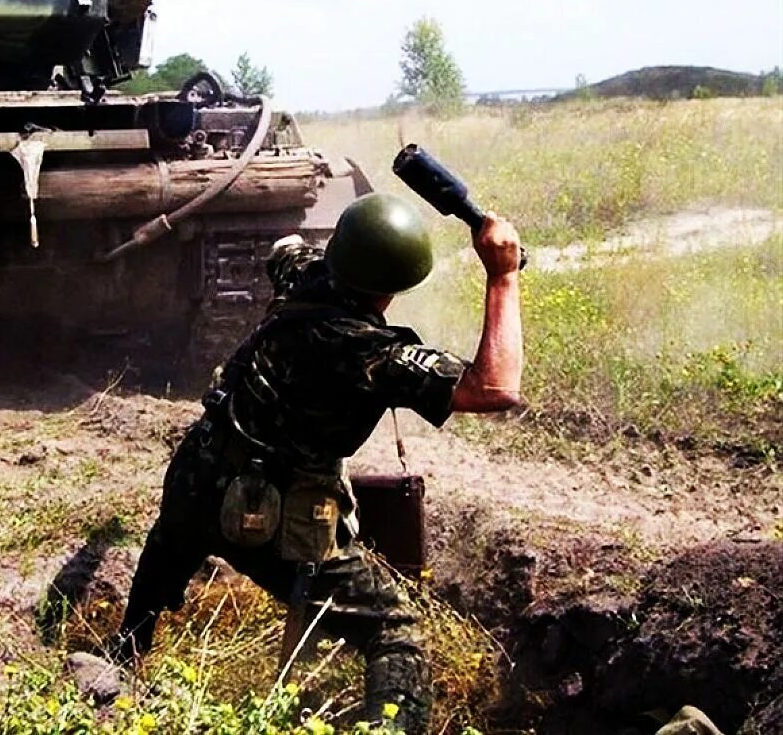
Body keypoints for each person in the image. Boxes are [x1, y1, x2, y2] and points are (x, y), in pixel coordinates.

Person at [113, 192, 524, 735]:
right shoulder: (366, 350)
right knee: (396, 629)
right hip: (267, 515)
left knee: (170, 542)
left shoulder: (303, 274)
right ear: (398, 283)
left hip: (198, 475)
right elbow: (495, 388)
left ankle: (121, 658)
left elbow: (286, 247)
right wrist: (502, 276)